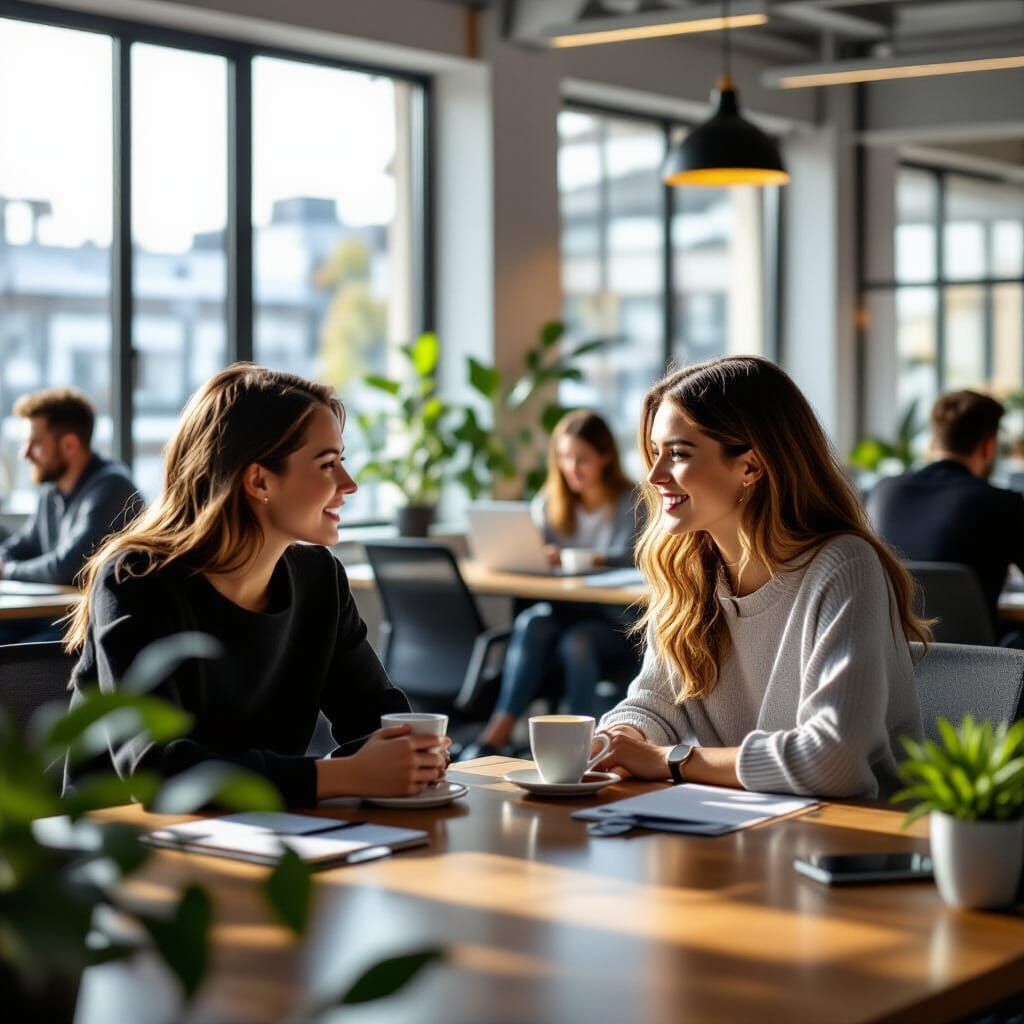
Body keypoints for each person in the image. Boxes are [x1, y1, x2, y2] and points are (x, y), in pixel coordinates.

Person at [64, 364, 448, 805]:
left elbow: (374, 717)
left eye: (342, 461)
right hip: (117, 849)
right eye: (327, 464)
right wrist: (340, 776)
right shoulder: (136, 579)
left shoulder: (319, 577)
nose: (349, 484)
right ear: (259, 480)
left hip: (263, 831)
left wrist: (414, 752)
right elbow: (156, 769)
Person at [593, 356, 927, 799]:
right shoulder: (690, 573)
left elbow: (835, 762)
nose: (654, 477)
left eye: (677, 453)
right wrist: (620, 740)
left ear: (750, 467)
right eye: (655, 454)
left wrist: (668, 761)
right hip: (744, 827)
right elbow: (655, 702)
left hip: (855, 843)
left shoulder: (844, 566)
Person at [461, 410, 642, 760]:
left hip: (616, 620)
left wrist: (586, 558)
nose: (571, 468)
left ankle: (581, 748)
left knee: (578, 642)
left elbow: (636, 556)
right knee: (532, 624)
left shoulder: (631, 501)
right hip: (564, 610)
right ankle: (496, 733)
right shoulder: (549, 503)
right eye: (563, 457)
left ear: (605, 456)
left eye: (582, 459)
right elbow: (536, 553)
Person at [868, 390, 1024, 634]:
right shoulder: (1001, 503)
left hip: (895, 661)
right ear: (988, 446)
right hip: (979, 664)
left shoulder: (881, 494)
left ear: (934, 442)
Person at [0, 388, 140, 643]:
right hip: (56, 617)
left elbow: (68, 568)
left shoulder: (112, 487)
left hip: (93, 626)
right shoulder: (52, 491)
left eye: (36, 444)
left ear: (70, 444)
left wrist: (7, 570)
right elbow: (26, 544)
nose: (25, 453)